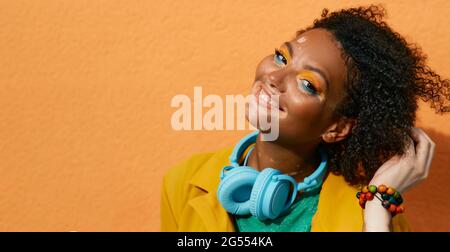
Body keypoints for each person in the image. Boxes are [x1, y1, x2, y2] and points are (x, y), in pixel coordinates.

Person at [161, 5, 448, 232]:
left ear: (337, 127)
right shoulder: (182, 183)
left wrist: (376, 210)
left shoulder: (372, 208)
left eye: (308, 84)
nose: (274, 78)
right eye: (281, 57)